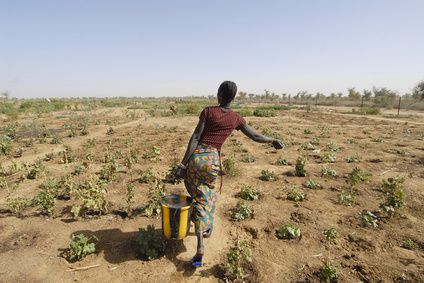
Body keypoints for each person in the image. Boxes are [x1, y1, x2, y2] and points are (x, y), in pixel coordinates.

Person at [175, 81, 284, 267]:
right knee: (206, 197)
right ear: (233, 98)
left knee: (197, 196)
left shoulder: (208, 111)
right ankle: (206, 229)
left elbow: (195, 138)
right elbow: (255, 136)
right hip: (212, 161)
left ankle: (201, 242)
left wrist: (183, 165)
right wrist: (272, 140)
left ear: (219, 94)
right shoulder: (236, 118)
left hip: (196, 158)